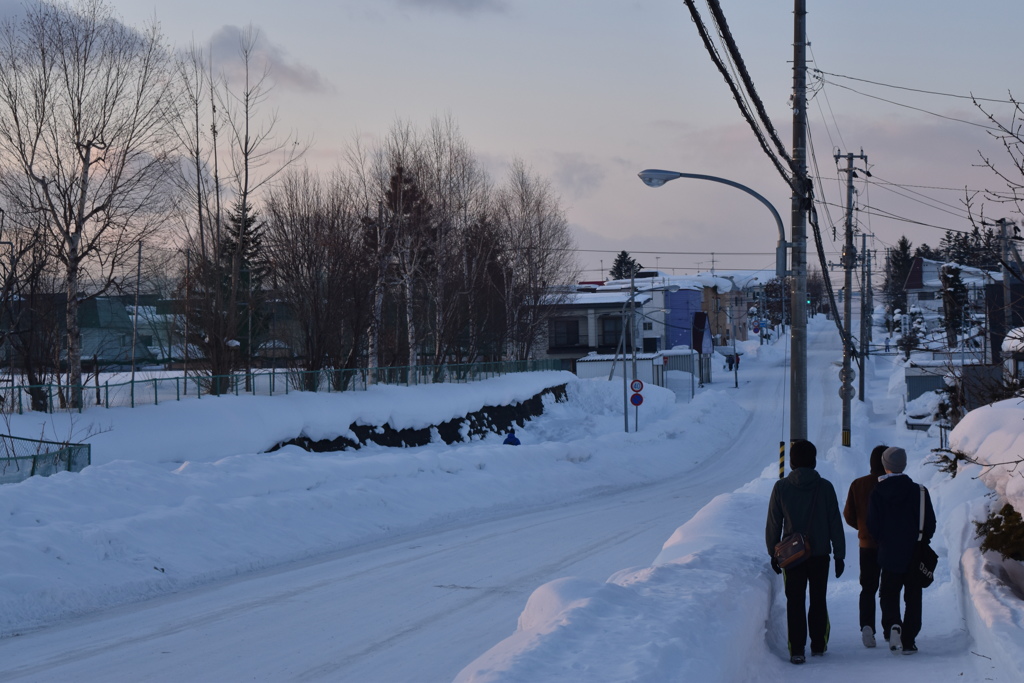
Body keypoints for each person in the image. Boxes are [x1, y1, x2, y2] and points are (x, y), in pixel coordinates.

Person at [766, 439, 846, 664]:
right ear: (813, 461)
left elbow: (773, 523)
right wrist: (839, 554)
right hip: (820, 554)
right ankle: (818, 645)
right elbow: (834, 523)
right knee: (818, 599)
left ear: (791, 462)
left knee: (795, 601)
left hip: (792, 557)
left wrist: (773, 551)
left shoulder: (781, 487)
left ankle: (797, 650)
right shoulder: (825, 487)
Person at [867, 447, 936, 655]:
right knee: (913, 596)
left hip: (889, 552)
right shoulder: (920, 491)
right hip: (914, 551)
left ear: (885, 466)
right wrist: (922, 540)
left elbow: (873, 525)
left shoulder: (877, 492)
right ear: (904, 465)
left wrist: (884, 540)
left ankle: (893, 625)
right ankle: (909, 640)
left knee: (888, 592)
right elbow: (930, 523)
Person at [843, 444, 888, 648]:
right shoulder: (892, 485)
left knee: (868, 588)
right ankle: (890, 629)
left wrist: (862, 527)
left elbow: (849, 516)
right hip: (890, 545)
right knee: (888, 588)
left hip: (866, 545)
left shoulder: (857, 484)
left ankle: (867, 627)